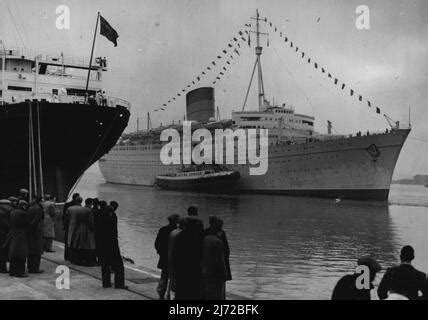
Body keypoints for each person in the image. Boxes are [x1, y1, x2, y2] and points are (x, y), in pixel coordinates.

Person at [173, 212, 204, 300]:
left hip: (182, 270)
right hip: (195, 270)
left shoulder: (180, 236)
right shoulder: (200, 237)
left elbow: (175, 254)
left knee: (181, 293)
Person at [97, 203, 127, 289]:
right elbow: (114, 233)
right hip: (112, 244)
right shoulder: (112, 218)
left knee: (105, 265)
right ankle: (119, 284)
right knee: (119, 266)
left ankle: (106, 283)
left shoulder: (101, 218)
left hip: (103, 245)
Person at [202, 216, 228, 300]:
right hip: (217, 270)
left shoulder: (205, 235)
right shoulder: (219, 239)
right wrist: (225, 272)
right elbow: (225, 253)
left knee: (207, 290)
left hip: (206, 267)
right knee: (218, 291)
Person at [155, 214, 179, 300]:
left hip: (164, 256)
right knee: (173, 278)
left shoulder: (163, 229)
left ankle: (161, 293)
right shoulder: (178, 232)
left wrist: (160, 253)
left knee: (164, 275)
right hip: (174, 258)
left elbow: (157, 243)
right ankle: (169, 295)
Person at [8, 200, 30, 277]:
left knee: (13, 253)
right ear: (23, 206)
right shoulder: (24, 213)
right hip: (21, 235)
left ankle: (12, 271)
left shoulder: (12, 212)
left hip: (13, 234)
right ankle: (19, 272)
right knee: (21, 254)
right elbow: (27, 224)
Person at [71, 198, 96, 266]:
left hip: (80, 228)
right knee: (89, 245)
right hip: (87, 229)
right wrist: (93, 229)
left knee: (80, 244)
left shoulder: (80, 209)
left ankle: (79, 260)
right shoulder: (89, 211)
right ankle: (89, 261)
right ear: (90, 203)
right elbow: (91, 222)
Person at [167, 217, 186, 300]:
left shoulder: (173, 232)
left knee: (171, 278)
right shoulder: (181, 233)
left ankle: (168, 295)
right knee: (177, 280)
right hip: (177, 259)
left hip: (170, 257)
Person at [27, 196, 45, 273]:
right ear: (39, 201)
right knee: (37, 251)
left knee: (31, 251)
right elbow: (37, 220)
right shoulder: (38, 209)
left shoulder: (30, 208)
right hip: (36, 232)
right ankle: (35, 268)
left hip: (30, 232)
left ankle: (30, 267)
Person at [65, 196, 84, 264]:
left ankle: (70, 257)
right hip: (79, 228)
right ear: (81, 201)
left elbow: (66, 219)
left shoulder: (70, 208)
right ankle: (77, 258)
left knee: (70, 242)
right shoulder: (82, 209)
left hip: (70, 226)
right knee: (78, 243)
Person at [63, 193, 80, 261]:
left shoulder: (67, 204)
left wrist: (64, 225)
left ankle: (67, 256)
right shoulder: (79, 206)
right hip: (75, 226)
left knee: (68, 241)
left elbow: (64, 216)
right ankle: (73, 257)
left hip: (68, 225)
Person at [0, 199, 12, 273]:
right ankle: (2, 268)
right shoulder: (2, 213)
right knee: (3, 252)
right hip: (2, 234)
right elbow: (5, 225)